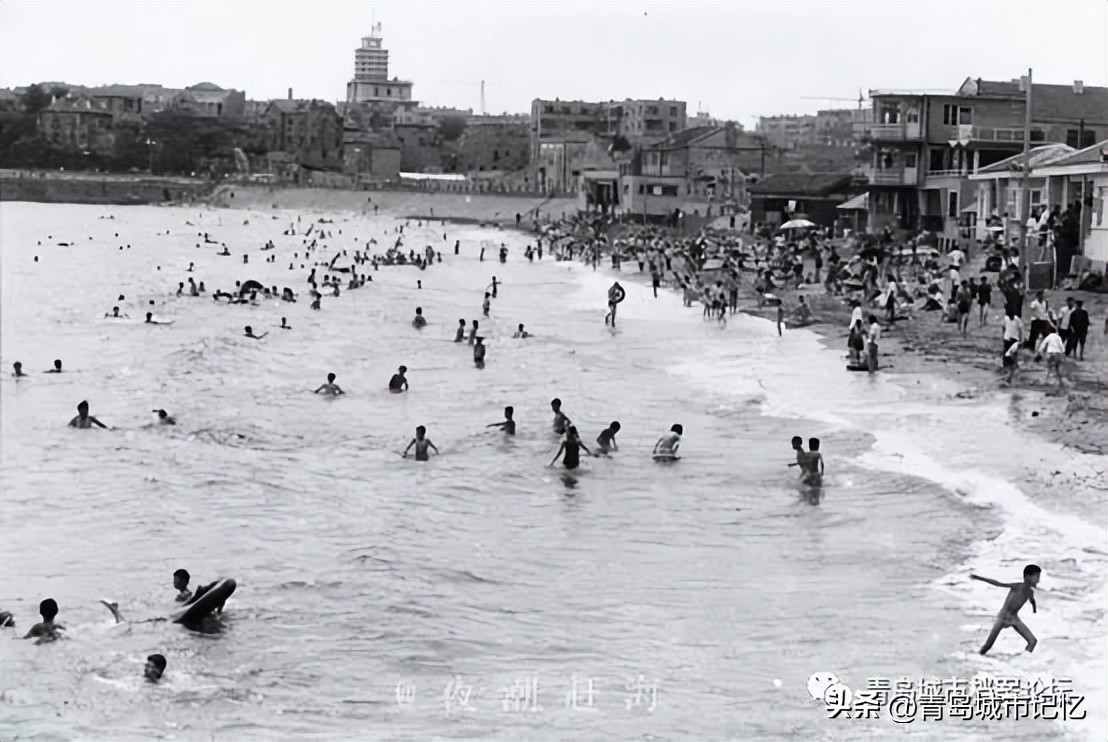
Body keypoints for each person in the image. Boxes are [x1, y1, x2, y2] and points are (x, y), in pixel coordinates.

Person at [971, 565, 1040, 654]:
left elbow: (1032, 600)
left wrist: (1034, 609)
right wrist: (978, 578)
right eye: (1037, 577)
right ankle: (977, 657)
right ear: (1027, 577)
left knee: (1032, 641)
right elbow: (998, 583)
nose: (1038, 580)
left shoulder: (1030, 592)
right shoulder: (1017, 586)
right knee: (988, 646)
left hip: (1014, 618)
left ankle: (1023, 660)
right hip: (1003, 617)